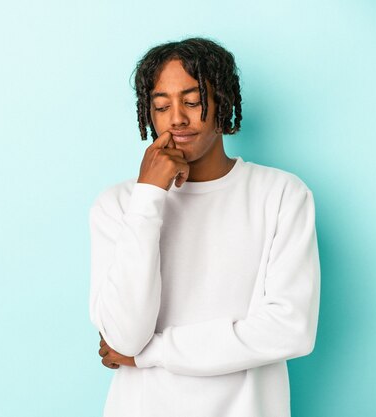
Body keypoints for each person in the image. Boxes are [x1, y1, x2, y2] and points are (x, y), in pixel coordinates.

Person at [88, 37, 321, 417]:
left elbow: (289, 328)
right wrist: (148, 196)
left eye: (193, 102)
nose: (176, 118)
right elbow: (125, 336)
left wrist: (153, 353)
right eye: (161, 106)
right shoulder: (117, 205)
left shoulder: (281, 195)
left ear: (223, 103)